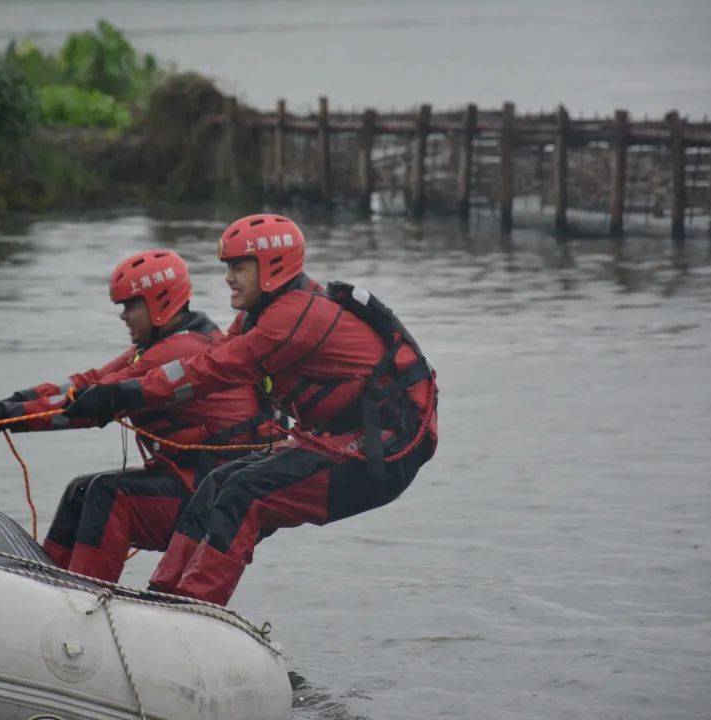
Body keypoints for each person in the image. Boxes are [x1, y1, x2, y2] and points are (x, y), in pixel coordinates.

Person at [63, 214, 438, 605]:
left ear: (273, 267)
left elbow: (212, 370)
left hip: (387, 451)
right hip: (347, 439)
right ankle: (164, 597)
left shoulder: (294, 318)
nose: (228, 277)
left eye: (238, 267)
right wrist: (115, 389)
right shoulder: (262, 315)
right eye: (228, 267)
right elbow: (211, 356)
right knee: (218, 484)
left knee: (245, 491)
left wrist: (126, 393)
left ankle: (194, 609)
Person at [0, 249, 278, 583]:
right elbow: (88, 382)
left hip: (211, 497)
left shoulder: (179, 351)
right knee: (81, 490)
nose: (124, 316)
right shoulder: (160, 346)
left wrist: (10, 418)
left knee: (110, 493)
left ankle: (83, 595)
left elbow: (91, 404)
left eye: (131, 306)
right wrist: (12, 403)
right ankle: (47, 584)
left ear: (159, 303)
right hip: (190, 482)